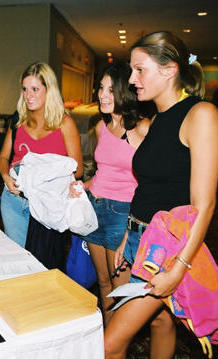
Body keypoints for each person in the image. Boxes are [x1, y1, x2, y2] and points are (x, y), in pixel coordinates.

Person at [104, 31, 218, 358]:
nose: (131, 79)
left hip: (167, 250)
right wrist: (127, 235)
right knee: (160, 324)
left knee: (108, 345)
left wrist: (180, 267)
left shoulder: (201, 115)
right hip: (138, 238)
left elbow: (205, 204)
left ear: (170, 69)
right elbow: (150, 187)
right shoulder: (157, 118)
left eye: (140, 70)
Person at [69, 61, 150, 325]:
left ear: (125, 92)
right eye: (101, 88)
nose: (102, 95)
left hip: (122, 214)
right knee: (103, 284)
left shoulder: (142, 129)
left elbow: (151, 181)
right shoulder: (100, 127)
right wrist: (84, 186)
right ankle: (108, 344)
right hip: (95, 209)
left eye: (110, 90)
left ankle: (117, 344)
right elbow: (102, 172)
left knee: (121, 291)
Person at [0, 61, 83, 264]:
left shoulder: (64, 123)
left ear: (48, 90)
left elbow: (77, 170)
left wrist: (45, 177)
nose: (29, 95)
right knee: (15, 258)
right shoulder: (18, 120)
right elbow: (2, 158)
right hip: (14, 200)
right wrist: (5, 177)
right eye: (25, 89)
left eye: (35, 89)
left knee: (42, 262)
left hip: (48, 203)